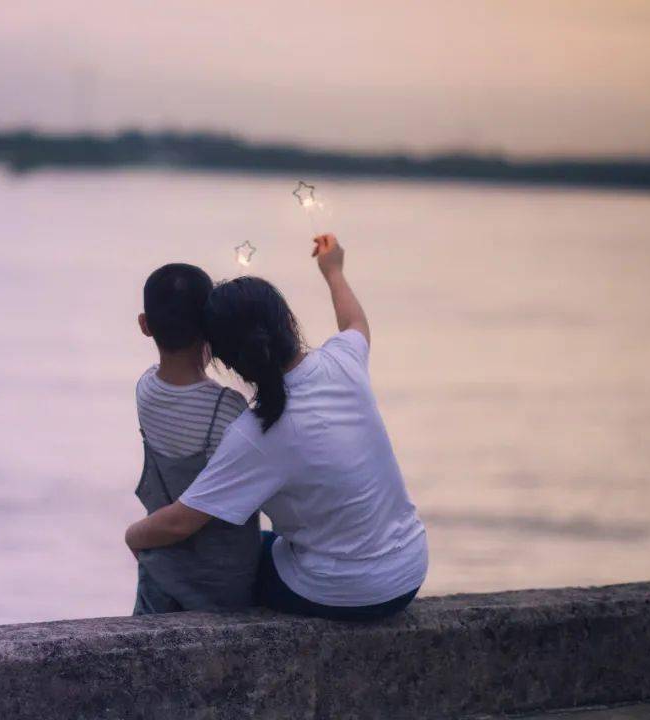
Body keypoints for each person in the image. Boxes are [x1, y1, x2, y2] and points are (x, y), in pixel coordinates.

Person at [125, 236, 428, 620]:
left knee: (248, 562)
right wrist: (333, 270)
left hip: (351, 593)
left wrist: (133, 535)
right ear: (288, 321)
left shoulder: (255, 433)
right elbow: (355, 322)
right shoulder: (342, 362)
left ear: (228, 361)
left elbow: (180, 522)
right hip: (411, 566)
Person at [131, 263, 259, 614]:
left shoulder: (145, 390)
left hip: (159, 572)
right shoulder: (228, 409)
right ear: (210, 326)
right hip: (219, 587)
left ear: (145, 325)